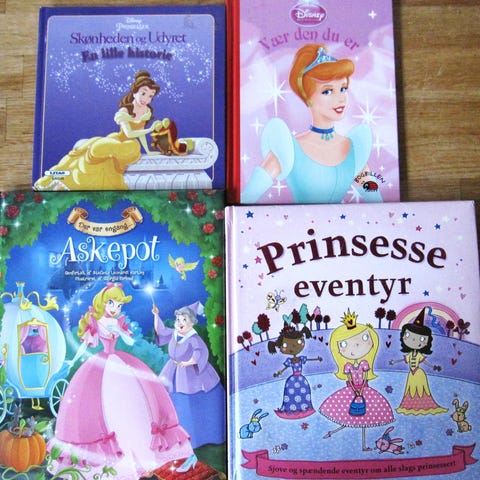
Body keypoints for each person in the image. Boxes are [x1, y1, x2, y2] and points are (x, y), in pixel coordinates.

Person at [47, 283, 197, 478]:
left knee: (140, 397)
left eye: (118, 305)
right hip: (101, 365)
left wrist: (122, 332)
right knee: (97, 404)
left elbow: (129, 341)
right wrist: (74, 360)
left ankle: (144, 455)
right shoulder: (96, 322)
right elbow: (85, 345)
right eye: (112, 303)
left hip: (120, 362)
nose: (115, 308)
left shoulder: (117, 322)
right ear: (103, 302)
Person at [242, 43, 381, 204]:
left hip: (344, 221)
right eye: (327, 91)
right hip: (298, 220)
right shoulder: (288, 149)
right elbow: (246, 200)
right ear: (307, 97)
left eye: (343, 88)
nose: (340, 98)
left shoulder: (353, 149)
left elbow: (378, 203)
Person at [34, 70, 166, 191]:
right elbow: (129, 133)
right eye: (143, 93)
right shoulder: (125, 111)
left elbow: (139, 133)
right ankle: (59, 178)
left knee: (102, 149)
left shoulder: (147, 111)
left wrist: (148, 150)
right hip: (117, 138)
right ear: (134, 92)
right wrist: (150, 129)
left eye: (150, 96)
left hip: (130, 145)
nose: (146, 99)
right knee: (89, 149)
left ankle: (67, 179)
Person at [319, 310, 394, 451]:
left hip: (364, 390)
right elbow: (349, 379)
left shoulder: (364, 364)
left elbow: (365, 377)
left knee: (363, 420)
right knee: (348, 418)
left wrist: (361, 390)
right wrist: (356, 391)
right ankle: (332, 432)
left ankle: (363, 445)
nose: (356, 346)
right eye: (344, 344)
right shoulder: (347, 366)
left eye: (364, 338)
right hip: (352, 392)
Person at [154, 304, 225, 448]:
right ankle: (175, 437)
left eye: (184, 320)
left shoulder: (193, 338)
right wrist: (156, 315)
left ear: (192, 322)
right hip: (173, 371)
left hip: (191, 374)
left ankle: (197, 438)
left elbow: (200, 352)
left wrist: (189, 362)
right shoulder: (174, 333)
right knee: (173, 400)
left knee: (191, 403)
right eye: (178, 320)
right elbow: (161, 331)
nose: (180, 323)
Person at [389, 307, 448, 415]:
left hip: (419, 373)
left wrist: (433, 367)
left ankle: (423, 405)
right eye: (408, 335)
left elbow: (425, 362)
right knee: (410, 390)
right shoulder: (410, 354)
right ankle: (410, 405)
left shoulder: (419, 355)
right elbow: (403, 359)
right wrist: (394, 362)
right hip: (411, 374)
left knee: (421, 390)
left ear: (426, 342)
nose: (413, 340)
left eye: (421, 339)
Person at [267, 323, 322, 419]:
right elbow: (284, 368)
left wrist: (317, 359)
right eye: (285, 345)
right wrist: (279, 373)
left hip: (301, 380)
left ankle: (304, 408)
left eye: (299, 341)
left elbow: (309, 359)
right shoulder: (289, 361)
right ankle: (291, 410)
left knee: (304, 393)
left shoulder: (301, 359)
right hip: (292, 381)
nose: (293, 346)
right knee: (291, 394)